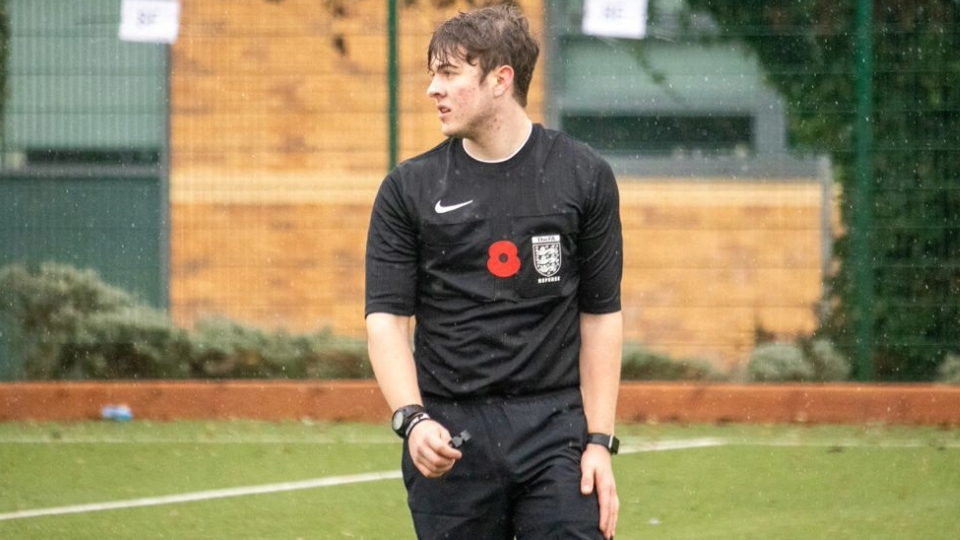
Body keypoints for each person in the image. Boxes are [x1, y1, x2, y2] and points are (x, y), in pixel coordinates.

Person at [365, 4, 623, 539]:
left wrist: (599, 442)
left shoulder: (583, 175)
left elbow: (600, 317)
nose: (432, 89)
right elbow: (386, 321)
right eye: (431, 74)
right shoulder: (408, 189)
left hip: (555, 431)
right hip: (450, 433)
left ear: (500, 79)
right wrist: (412, 420)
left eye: (449, 73)